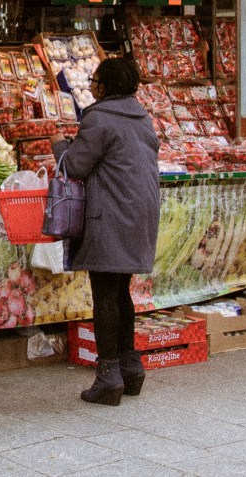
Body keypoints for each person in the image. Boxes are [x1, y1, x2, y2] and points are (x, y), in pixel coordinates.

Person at [49, 56, 160, 406]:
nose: (92, 84)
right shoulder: (141, 117)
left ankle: (108, 375)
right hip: (139, 212)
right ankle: (131, 368)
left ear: (105, 85)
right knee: (120, 290)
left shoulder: (99, 117)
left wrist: (59, 145)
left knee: (105, 294)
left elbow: (77, 165)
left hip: (109, 215)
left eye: (96, 79)